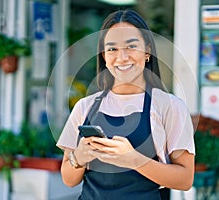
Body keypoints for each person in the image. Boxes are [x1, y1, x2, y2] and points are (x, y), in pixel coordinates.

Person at [56, 9, 195, 200]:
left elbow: (185, 179)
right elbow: (69, 179)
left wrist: (133, 160)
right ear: (104, 56)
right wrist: (79, 157)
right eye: (112, 49)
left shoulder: (169, 106)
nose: (122, 57)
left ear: (147, 51)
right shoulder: (85, 106)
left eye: (131, 46)